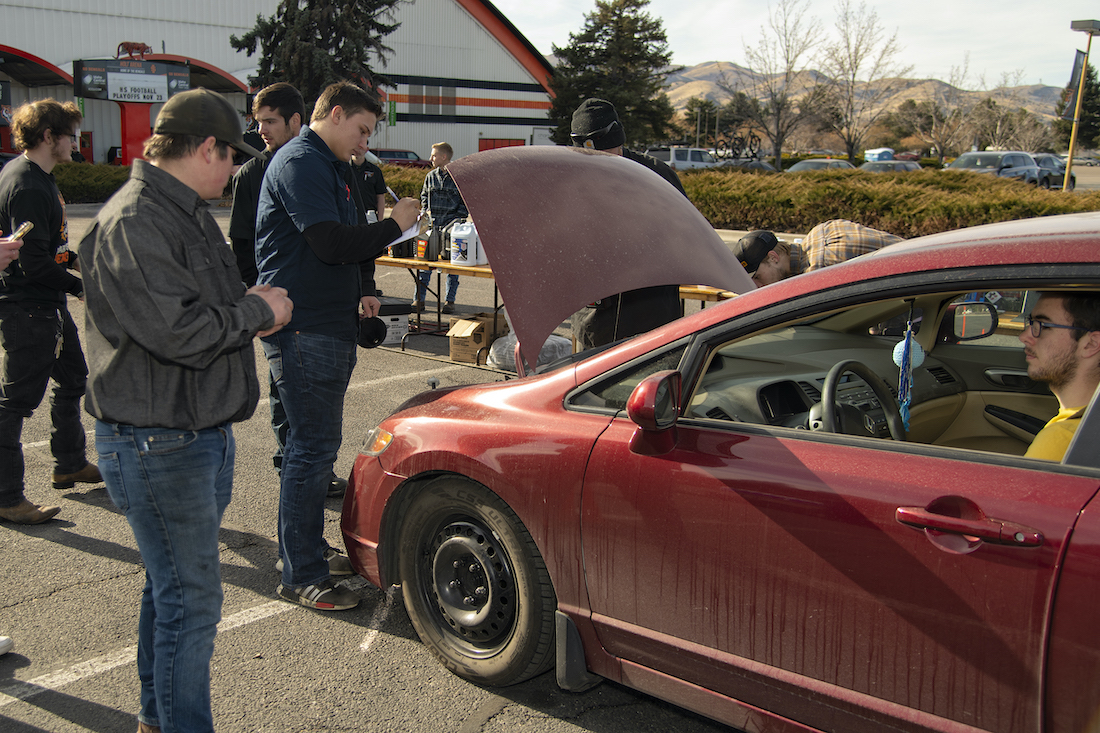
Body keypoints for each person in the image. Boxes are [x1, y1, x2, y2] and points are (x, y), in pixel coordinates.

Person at [80, 88, 291, 733]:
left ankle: (157, 717)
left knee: (171, 589)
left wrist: (244, 300)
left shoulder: (182, 210)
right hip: (159, 442)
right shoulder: (137, 220)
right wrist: (260, 311)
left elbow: (201, 306)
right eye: (231, 157)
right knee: (191, 600)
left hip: (189, 434)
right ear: (206, 149)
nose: (234, 171)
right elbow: (177, 332)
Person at [256, 81, 420, 611]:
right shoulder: (300, 161)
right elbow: (329, 242)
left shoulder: (335, 166)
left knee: (314, 445)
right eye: (363, 129)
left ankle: (304, 549)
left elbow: (350, 238)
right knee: (311, 449)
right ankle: (300, 571)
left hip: (328, 321)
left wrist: (367, 285)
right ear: (335, 113)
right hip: (304, 326)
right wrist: (394, 224)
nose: (366, 142)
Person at [228, 84, 348, 501]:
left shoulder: (325, 163)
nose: (260, 130)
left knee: (308, 427)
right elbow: (243, 244)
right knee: (290, 413)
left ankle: (306, 477)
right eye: (257, 121)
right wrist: (258, 299)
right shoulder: (256, 171)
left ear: (296, 120)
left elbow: (348, 230)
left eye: (269, 121)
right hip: (282, 313)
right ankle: (292, 476)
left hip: (309, 311)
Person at [0, 98, 101, 526]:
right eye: (70, 135)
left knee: (74, 378)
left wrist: (79, 260)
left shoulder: (37, 177)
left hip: (46, 307)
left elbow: (49, 247)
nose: (75, 143)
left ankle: (69, 463)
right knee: (15, 402)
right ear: (48, 137)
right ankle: (6, 496)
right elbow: (33, 263)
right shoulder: (26, 184)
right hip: (28, 308)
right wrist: (81, 289)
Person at [568, 98, 685, 349]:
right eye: (587, 158)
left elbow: (687, 238)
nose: (595, 165)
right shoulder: (570, 179)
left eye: (603, 157)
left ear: (618, 143)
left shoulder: (658, 176)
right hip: (594, 320)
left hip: (651, 317)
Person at [1018, 292, 1100, 461]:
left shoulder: (1063, 440)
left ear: (1091, 344)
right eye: (1032, 323)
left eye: (1044, 326)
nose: (1024, 337)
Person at [735, 219, 904, 287]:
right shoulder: (821, 231)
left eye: (756, 276)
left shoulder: (818, 273)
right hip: (923, 253)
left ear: (773, 257)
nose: (756, 285)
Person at [415, 142, 467, 314]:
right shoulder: (430, 176)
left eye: (434, 155)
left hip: (452, 230)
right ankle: (419, 300)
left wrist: (456, 222)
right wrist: (425, 212)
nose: (431, 158)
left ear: (444, 157)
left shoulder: (459, 177)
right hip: (432, 228)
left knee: (453, 269)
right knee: (425, 266)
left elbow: (465, 202)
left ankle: (449, 302)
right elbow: (424, 195)